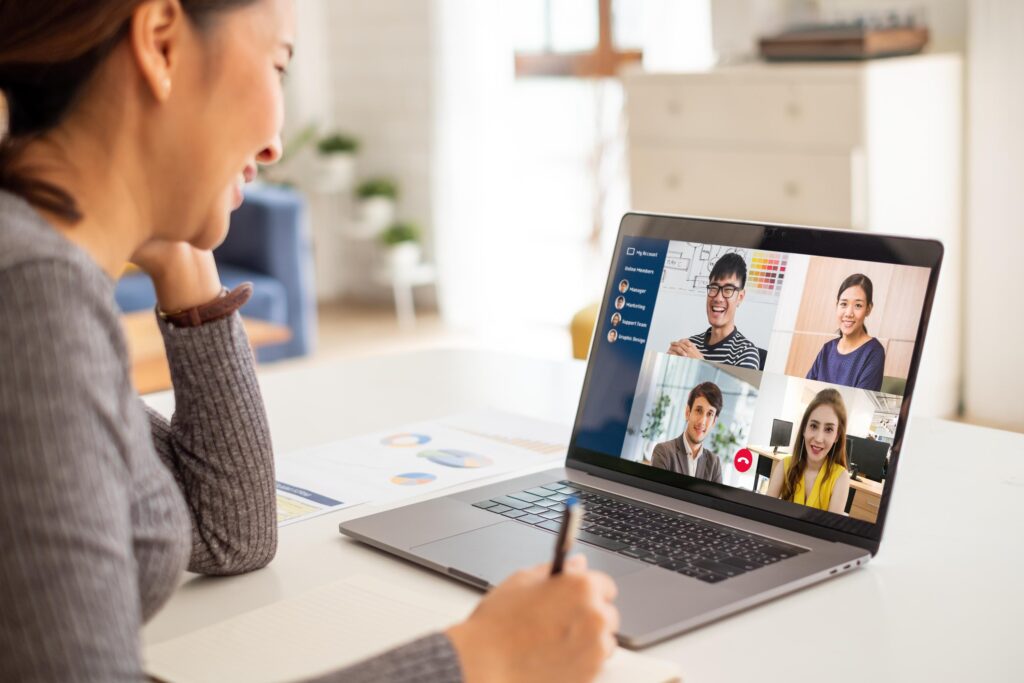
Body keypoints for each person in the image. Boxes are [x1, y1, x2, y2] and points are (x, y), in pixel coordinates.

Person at [0, 2, 619, 682]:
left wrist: (182, 262)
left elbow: (227, 529)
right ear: (162, 43)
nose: (274, 146)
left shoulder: (39, 273)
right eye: (277, 65)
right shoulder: (30, 292)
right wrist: (482, 659)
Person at [667, 252, 760, 370]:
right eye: (714, 288)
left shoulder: (746, 354)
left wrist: (699, 362)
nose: (718, 298)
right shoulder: (690, 345)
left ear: (740, 297)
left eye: (728, 290)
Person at [766, 389, 851, 514]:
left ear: (837, 437)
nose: (818, 438)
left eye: (828, 429)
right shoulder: (784, 466)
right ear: (804, 429)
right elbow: (764, 512)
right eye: (814, 426)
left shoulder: (841, 478)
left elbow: (829, 532)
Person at [806, 273, 886, 392]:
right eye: (843, 304)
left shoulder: (874, 352)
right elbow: (807, 391)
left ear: (868, 309)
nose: (849, 313)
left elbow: (860, 404)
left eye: (858, 305)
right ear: (837, 305)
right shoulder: (827, 349)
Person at [650, 382, 724, 484]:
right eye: (698, 410)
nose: (702, 421)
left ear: (714, 422)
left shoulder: (714, 464)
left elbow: (716, 500)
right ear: (688, 412)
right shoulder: (664, 453)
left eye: (709, 414)